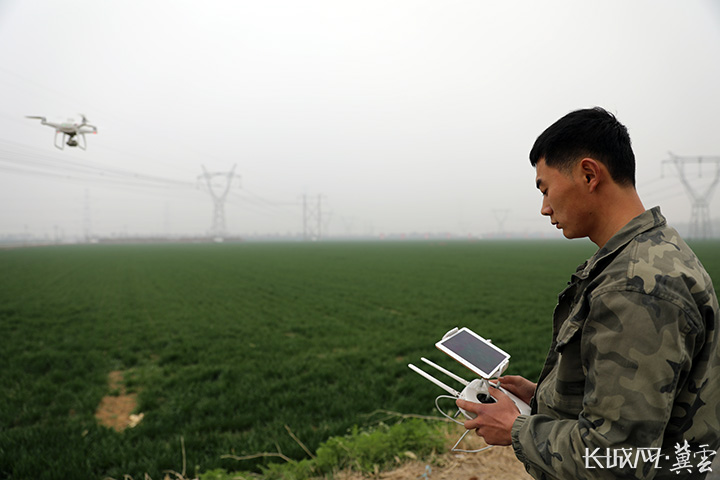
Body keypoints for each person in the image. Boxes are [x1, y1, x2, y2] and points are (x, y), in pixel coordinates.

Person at [456, 107, 720, 479]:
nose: (544, 208)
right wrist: (545, 398)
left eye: (545, 189)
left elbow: (615, 460)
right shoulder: (657, 249)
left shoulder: (635, 287)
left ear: (588, 174)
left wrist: (516, 429)